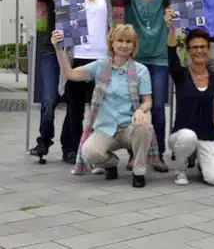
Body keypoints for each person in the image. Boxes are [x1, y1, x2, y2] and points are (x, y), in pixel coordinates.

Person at [50, 25, 159, 188]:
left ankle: (139, 172)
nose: (124, 45)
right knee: (89, 152)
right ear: (112, 44)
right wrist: (59, 50)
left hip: (129, 126)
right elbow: (70, 74)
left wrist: (140, 110)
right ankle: (111, 164)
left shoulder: (141, 70)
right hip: (105, 128)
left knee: (145, 126)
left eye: (128, 41)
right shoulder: (100, 66)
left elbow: (147, 101)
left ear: (134, 45)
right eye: (120, 40)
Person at [10, 0, 82, 163]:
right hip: (52, 52)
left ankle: (69, 147)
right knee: (49, 99)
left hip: (78, 55)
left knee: (74, 104)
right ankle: (44, 141)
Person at [55, 0, 124, 165]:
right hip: (78, 60)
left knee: (101, 111)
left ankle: (96, 150)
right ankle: (75, 151)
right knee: (75, 110)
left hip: (102, 61)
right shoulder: (75, 0)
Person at [121, 0, 177, 172]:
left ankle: (158, 155)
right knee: (134, 107)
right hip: (135, 59)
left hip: (159, 59)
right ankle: (135, 154)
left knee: (159, 110)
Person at [164, 8, 214, 186]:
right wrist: (170, 28)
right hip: (182, 135)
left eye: (203, 47)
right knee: (188, 137)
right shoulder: (180, 74)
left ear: (208, 49)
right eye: (194, 47)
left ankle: (202, 160)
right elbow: (170, 53)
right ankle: (180, 169)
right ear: (189, 50)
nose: (199, 51)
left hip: (207, 135)